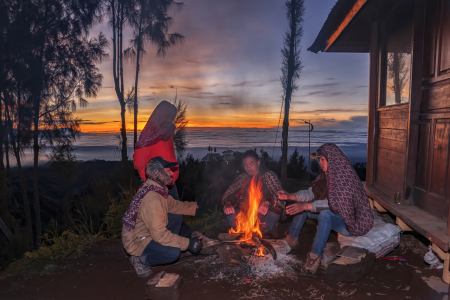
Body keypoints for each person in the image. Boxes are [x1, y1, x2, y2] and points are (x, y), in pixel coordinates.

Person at [278, 143, 374, 276]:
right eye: (319, 160)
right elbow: (310, 193)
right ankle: (292, 240)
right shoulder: (325, 177)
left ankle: (315, 257)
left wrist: (306, 206)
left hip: (349, 222)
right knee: (304, 208)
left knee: (325, 214)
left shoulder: (345, 178)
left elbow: (333, 205)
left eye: (322, 159)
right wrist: (291, 195)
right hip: (336, 216)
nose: (320, 163)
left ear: (332, 159)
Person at [122, 157, 202, 277]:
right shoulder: (152, 199)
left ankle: (166, 245)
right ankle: (140, 259)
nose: (171, 173)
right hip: (138, 241)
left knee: (177, 216)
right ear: (158, 173)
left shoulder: (156, 189)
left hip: (149, 232)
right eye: (168, 171)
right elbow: (159, 234)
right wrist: (188, 243)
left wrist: (193, 207)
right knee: (173, 253)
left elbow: (173, 205)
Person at [222, 150, 285, 237]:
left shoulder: (269, 175)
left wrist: (267, 203)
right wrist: (228, 203)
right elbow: (231, 193)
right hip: (246, 214)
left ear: (258, 163)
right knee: (230, 213)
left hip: (265, 212)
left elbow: (280, 196)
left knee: (264, 229)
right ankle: (242, 233)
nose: (248, 168)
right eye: (246, 165)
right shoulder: (242, 178)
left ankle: (268, 229)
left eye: (251, 164)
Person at [133, 100, 180, 200]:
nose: (169, 120)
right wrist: (152, 179)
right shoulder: (149, 134)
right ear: (160, 115)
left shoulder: (168, 132)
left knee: (175, 215)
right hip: (154, 187)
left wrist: (172, 177)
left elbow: (171, 157)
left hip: (170, 185)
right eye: (166, 116)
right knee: (156, 215)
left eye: (171, 117)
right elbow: (138, 161)